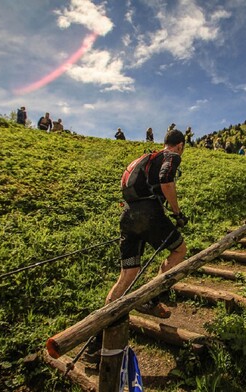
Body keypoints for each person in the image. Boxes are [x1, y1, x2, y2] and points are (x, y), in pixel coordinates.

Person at [84, 129, 188, 364]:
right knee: (179, 250)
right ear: (180, 144)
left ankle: (95, 342)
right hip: (148, 213)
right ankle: (152, 297)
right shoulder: (171, 156)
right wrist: (177, 213)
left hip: (128, 215)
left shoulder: (144, 157)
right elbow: (166, 181)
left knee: (127, 275)